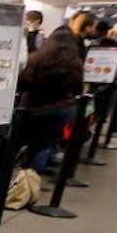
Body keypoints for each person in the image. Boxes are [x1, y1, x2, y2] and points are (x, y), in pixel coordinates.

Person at [18, 30, 84, 171]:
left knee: (25, 143)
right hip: (58, 111)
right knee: (44, 144)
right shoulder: (74, 65)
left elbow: (22, 83)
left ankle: (23, 174)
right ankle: (33, 175)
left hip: (32, 109)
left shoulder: (36, 59)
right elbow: (78, 89)